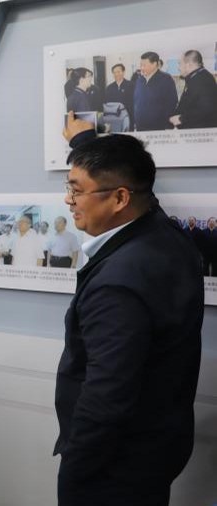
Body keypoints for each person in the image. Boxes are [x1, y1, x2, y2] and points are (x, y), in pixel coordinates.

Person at [56, 113, 204, 506]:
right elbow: (138, 190)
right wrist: (85, 143)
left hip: (113, 468)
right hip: (156, 447)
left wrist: (76, 473)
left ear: (121, 198)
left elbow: (106, 396)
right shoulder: (164, 234)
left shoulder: (119, 284)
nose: (69, 201)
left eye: (76, 191)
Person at [169, 50, 217, 129]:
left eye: (180, 63)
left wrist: (181, 119)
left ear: (189, 65)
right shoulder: (196, 77)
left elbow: (207, 108)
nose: (178, 67)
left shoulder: (203, 79)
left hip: (200, 132)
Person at [133, 51, 178, 131]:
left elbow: (172, 102)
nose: (141, 68)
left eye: (144, 65)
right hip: (141, 126)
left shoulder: (166, 79)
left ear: (154, 64)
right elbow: (136, 100)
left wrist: (165, 124)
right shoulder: (140, 79)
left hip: (159, 126)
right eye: (141, 65)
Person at [105, 63, 134, 128]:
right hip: (114, 118)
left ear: (123, 72)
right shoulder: (109, 87)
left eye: (118, 72)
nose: (116, 74)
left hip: (128, 117)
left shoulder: (131, 85)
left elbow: (134, 103)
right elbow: (107, 104)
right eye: (114, 72)